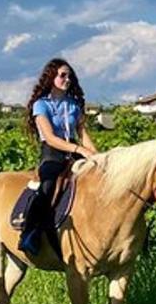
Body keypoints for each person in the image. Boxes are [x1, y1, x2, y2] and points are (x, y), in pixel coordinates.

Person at [19, 58, 98, 254]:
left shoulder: (73, 105)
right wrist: (79, 150)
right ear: (51, 77)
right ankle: (30, 234)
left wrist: (99, 157)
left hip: (72, 151)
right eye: (63, 75)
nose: (67, 79)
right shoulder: (41, 105)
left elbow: (83, 136)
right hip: (52, 153)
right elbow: (50, 138)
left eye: (69, 76)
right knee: (47, 187)